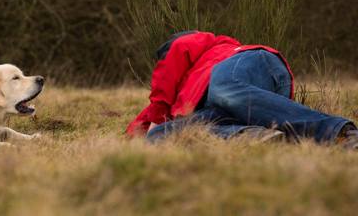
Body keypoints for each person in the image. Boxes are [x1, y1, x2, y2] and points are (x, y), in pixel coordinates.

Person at [125, 31, 358, 148]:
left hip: (251, 66)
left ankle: (338, 130)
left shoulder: (196, 45)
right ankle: (254, 134)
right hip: (244, 103)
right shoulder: (189, 95)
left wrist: (158, 114)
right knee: (159, 136)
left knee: (223, 87)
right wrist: (140, 134)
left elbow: (160, 93)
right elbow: (143, 127)